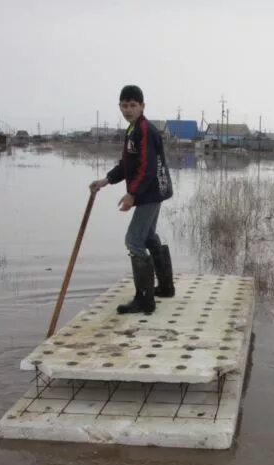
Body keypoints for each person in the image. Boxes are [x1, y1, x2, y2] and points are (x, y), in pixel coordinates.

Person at [90, 85, 174, 314]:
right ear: (119, 106)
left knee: (134, 240)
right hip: (154, 191)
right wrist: (106, 180)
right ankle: (166, 287)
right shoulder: (132, 130)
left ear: (142, 106)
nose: (128, 110)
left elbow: (146, 168)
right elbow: (128, 165)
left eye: (133, 105)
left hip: (150, 192)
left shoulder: (145, 130)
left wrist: (131, 194)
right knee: (147, 237)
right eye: (124, 105)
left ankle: (144, 300)